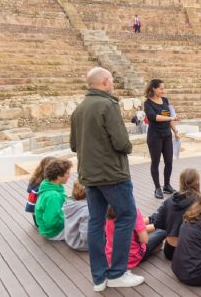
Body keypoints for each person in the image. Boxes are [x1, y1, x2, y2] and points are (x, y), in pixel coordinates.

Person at [70, 67, 142, 291]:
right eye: (110, 80)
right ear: (104, 81)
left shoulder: (79, 109)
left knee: (96, 222)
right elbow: (122, 143)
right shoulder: (107, 105)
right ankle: (118, 273)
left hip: (89, 176)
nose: (112, 83)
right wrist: (128, 146)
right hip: (112, 174)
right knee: (127, 215)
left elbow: (74, 145)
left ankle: (99, 278)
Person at [150, 168, 200, 260]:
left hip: (169, 251)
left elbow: (158, 223)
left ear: (181, 182)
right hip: (188, 252)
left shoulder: (169, 201)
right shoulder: (200, 202)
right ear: (197, 182)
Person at [144, 79, 180, 199]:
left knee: (169, 162)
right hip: (155, 136)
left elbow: (168, 117)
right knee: (155, 162)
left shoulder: (165, 100)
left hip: (167, 135)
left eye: (163, 88)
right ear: (154, 88)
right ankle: (157, 188)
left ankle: (167, 185)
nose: (163, 91)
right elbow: (154, 117)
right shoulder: (148, 103)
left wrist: (175, 131)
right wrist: (172, 118)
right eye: (161, 88)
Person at [34, 158, 73, 241]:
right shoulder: (53, 196)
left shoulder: (48, 186)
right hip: (54, 232)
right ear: (59, 176)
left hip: (47, 229)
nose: (70, 175)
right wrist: (69, 218)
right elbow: (51, 221)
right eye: (67, 173)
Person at [25, 156, 55, 227]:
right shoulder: (43, 185)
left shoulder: (35, 179)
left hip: (34, 214)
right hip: (40, 217)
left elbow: (29, 189)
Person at [63, 180, 90, 251]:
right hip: (81, 244)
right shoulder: (86, 210)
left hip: (70, 239)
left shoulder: (69, 202)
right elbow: (86, 237)